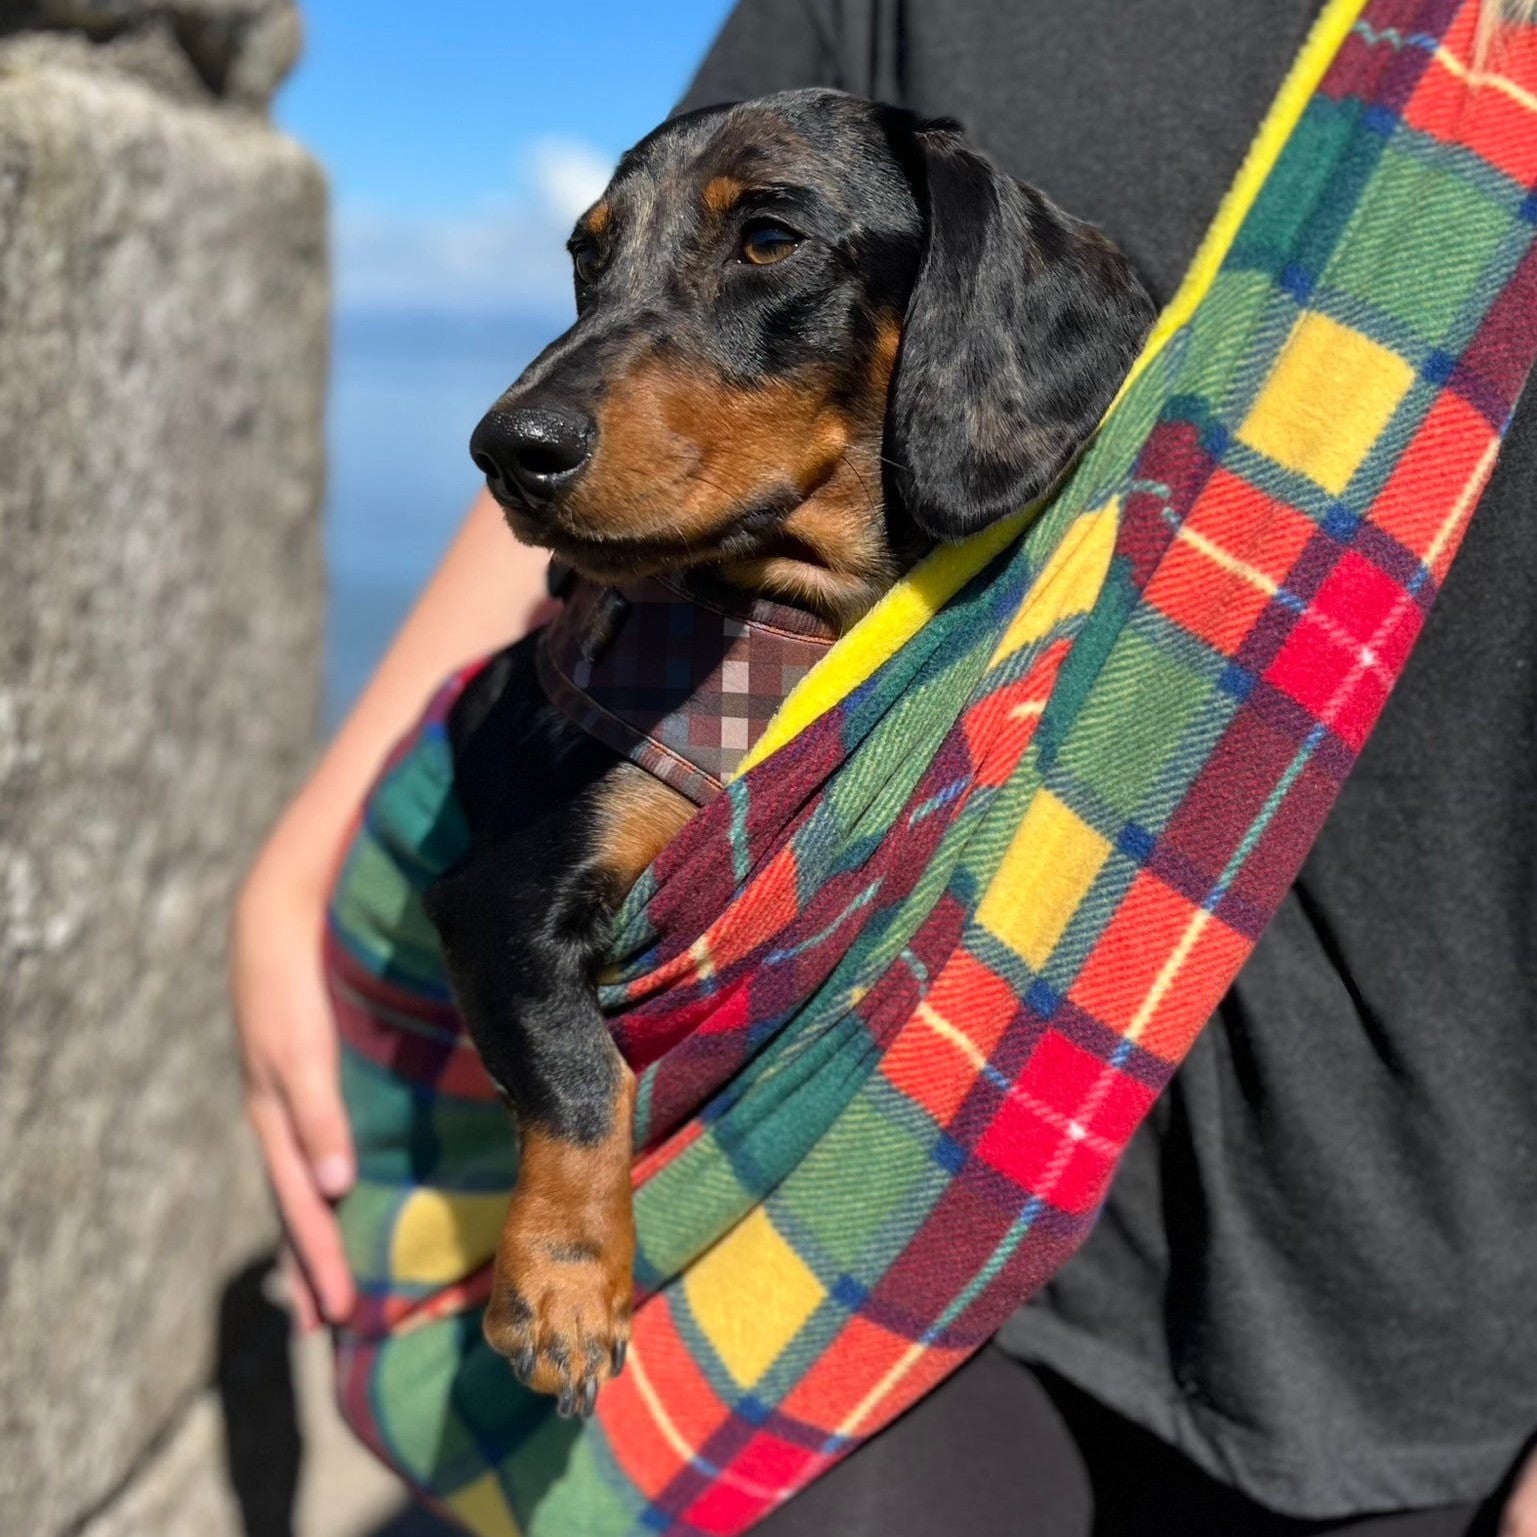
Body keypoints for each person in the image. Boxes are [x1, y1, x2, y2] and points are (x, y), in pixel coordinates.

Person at [232, 2, 1537, 1533]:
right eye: (599, 265)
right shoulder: (723, 680)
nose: (532, 399)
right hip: (864, 1188)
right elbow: (526, 837)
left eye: (765, 245)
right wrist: (311, 839)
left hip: (1418, 1283)